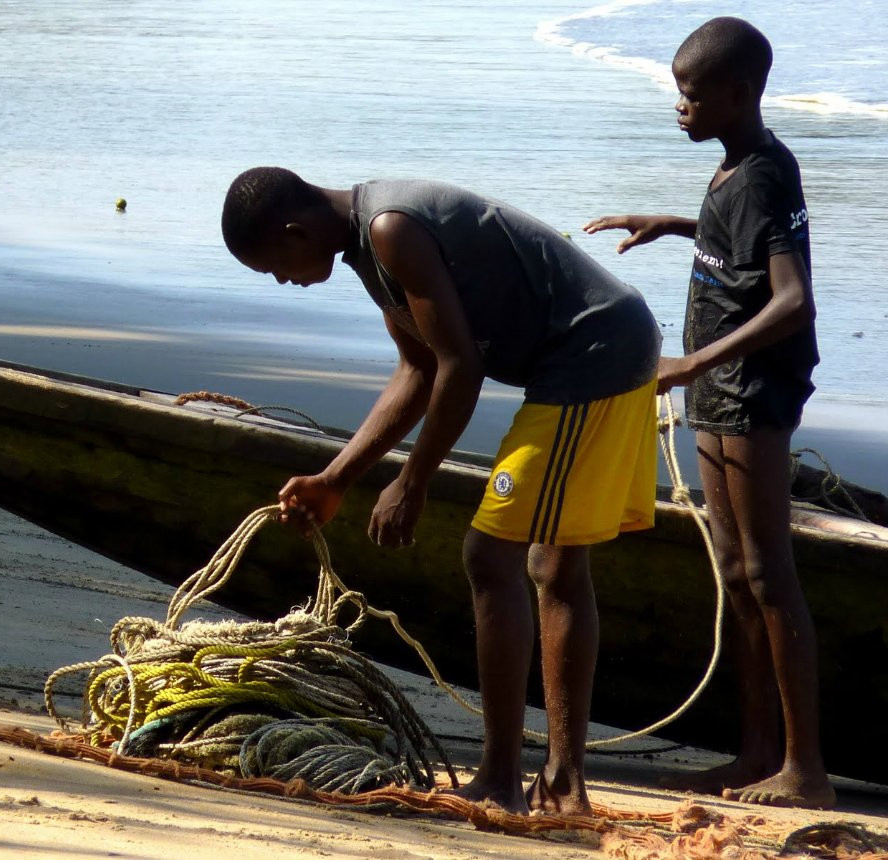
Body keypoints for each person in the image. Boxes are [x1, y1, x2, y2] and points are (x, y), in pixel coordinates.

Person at [221, 167, 662, 815]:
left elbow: (461, 365)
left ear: (295, 231)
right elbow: (418, 367)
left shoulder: (391, 228)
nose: (283, 281)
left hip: (591, 353)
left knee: (494, 556)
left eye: (275, 268)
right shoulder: (369, 246)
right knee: (553, 563)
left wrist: (413, 480)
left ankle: (503, 779)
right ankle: (563, 785)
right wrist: (335, 477)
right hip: (597, 350)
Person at [584, 17, 835, 809]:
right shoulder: (733, 170)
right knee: (733, 571)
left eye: (693, 97)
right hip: (718, 396)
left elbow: (793, 300)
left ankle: (807, 770)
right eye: (677, 94)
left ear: (739, 94)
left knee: (768, 573)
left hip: (751, 393)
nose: (680, 109)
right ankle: (756, 750)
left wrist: (689, 364)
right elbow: (746, 246)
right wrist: (677, 224)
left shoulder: (764, 171)